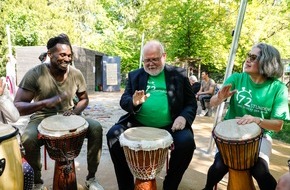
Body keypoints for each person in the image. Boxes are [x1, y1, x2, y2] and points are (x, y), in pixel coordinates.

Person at [13, 34, 104, 190]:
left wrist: (75, 112)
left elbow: (84, 99)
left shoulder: (76, 74)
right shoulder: (35, 74)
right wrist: (45, 102)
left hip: (69, 115)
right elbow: (18, 107)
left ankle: (91, 178)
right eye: (62, 55)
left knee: (96, 128)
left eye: (69, 55)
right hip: (41, 117)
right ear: (50, 54)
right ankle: (37, 183)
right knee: (28, 139)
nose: (67, 59)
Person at [106, 40, 197, 190]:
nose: (150, 63)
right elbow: (124, 100)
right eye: (147, 60)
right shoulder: (135, 75)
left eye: (155, 59)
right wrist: (134, 102)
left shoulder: (178, 75)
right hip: (137, 123)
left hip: (171, 125)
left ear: (164, 56)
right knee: (113, 136)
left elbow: (191, 103)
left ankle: (170, 185)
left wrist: (183, 117)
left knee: (186, 143)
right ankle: (126, 186)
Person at [203, 43, 289, 190]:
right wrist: (219, 98)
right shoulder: (237, 78)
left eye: (253, 57)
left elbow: (278, 125)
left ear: (266, 62)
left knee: (260, 171)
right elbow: (212, 103)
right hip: (229, 135)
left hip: (260, 136)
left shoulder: (278, 88)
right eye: (248, 56)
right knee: (219, 166)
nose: (247, 60)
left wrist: (258, 120)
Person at [0, 77, 34, 190]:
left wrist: (2, 97)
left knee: (27, 171)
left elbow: (15, 117)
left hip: (4, 147)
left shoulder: (1, 88)